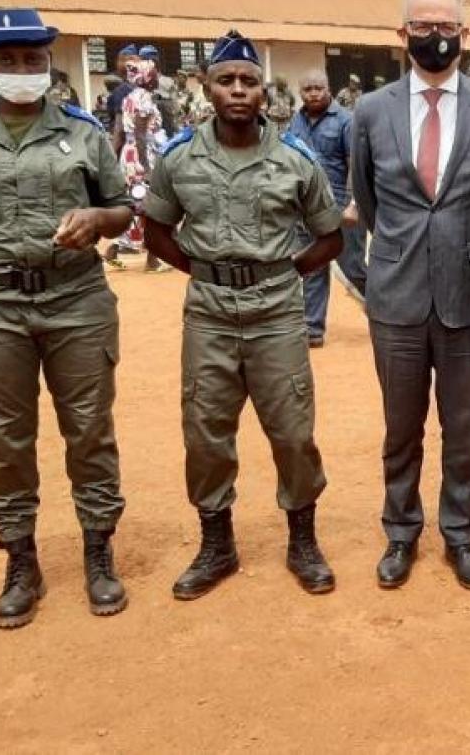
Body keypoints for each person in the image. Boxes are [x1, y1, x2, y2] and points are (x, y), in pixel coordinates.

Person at [0, 8, 134, 628]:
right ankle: (20, 559)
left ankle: (98, 552)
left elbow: (122, 208)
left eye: (33, 60)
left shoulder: (82, 131)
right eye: (8, 60)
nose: (22, 71)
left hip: (76, 299)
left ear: (47, 61)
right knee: (5, 439)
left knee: (89, 429)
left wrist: (98, 223)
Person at [144, 30, 343, 600]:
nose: (237, 90)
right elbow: (156, 230)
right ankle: (217, 545)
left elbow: (329, 238)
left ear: (264, 91)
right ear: (207, 87)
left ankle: (302, 540)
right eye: (226, 80)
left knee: (293, 431)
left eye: (248, 82)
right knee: (205, 433)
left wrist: (279, 274)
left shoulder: (294, 159)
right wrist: (207, 272)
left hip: (277, 314)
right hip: (207, 315)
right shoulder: (179, 157)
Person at [351, 0, 470, 591]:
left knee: (463, 425)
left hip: (469, 296)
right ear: (403, 36)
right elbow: (368, 201)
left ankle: (459, 534)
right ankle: (400, 533)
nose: (435, 36)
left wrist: (469, 250)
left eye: (446, 26)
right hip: (395, 296)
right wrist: (403, 250)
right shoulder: (370, 112)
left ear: (465, 35)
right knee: (402, 425)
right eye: (422, 27)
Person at [289, 69, 366, 345]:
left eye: (318, 88)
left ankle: (387, 313)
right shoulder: (294, 123)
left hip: (342, 209)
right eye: (307, 89)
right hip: (307, 209)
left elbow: (356, 164)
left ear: (328, 88)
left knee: (354, 267)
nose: (313, 93)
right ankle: (313, 329)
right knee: (313, 266)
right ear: (300, 92)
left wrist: (353, 204)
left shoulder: (346, 121)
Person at [104, 59, 167, 272]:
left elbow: (119, 132)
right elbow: (141, 134)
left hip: (128, 155)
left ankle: (115, 248)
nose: (157, 77)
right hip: (142, 155)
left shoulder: (128, 98)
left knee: (133, 203)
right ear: (148, 77)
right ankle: (152, 259)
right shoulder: (145, 99)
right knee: (151, 206)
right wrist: (147, 167)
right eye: (155, 74)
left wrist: (115, 159)